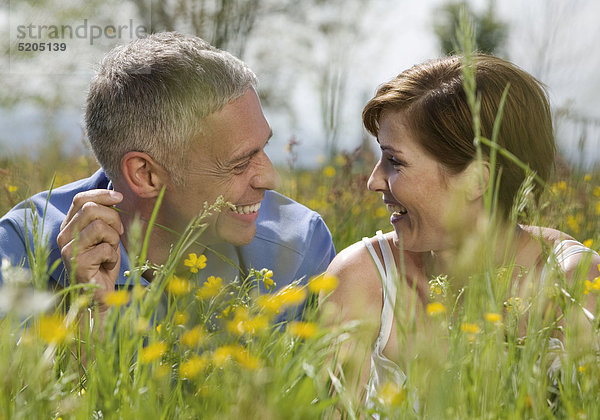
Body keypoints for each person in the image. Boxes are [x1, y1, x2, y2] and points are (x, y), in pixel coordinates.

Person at [0, 32, 335, 322]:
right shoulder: (19, 255)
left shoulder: (299, 247)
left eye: (263, 148)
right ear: (145, 175)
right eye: (239, 164)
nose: (270, 179)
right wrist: (88, 310)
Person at [324, 54, 600, 405]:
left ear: (477, 180)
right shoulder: (361, 278)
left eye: (395, 161)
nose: (373, 181)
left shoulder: (574, 285)